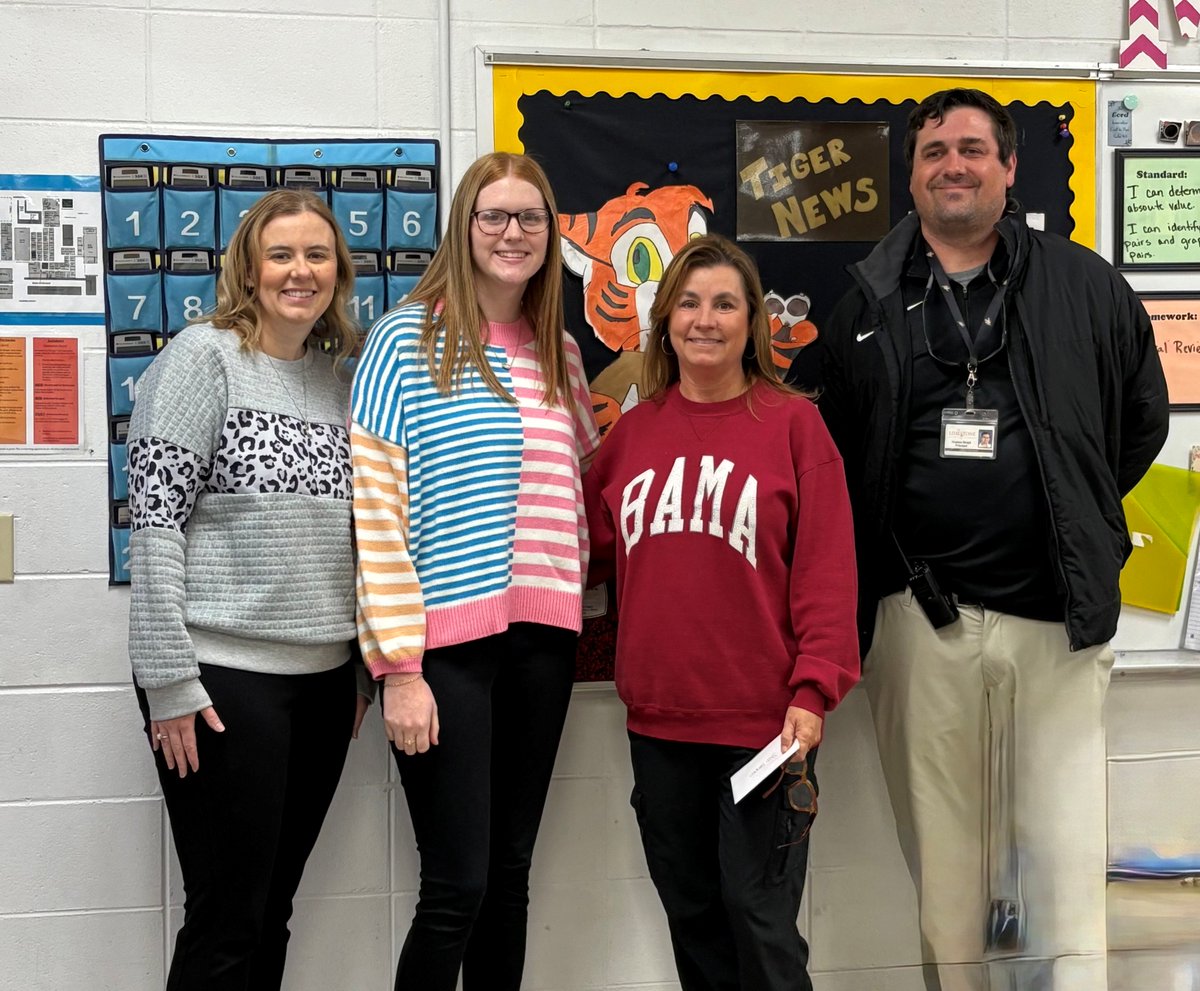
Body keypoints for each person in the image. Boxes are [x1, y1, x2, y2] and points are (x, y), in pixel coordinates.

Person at [788, 88, 1169, 990]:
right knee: (948, 875)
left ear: (1008, 168)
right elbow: (835, 456)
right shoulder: (864, 303)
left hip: (1056, 619)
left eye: (971, 149)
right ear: (911, 177)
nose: (951, 165)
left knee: (1062, 862)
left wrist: (1075, 510)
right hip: (923, 623)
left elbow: (1140, 423)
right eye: (932, 153)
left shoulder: (1088, 287)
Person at [350, 152, 599, 991]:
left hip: (543, 644)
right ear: (463, 227)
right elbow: (377, 516)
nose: (512, 233)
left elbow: (577, 497)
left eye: (530, 217)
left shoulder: (561, 354)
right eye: (493, 215)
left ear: (549, 233)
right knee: (457, 884)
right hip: (445, 651)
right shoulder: (403, 341)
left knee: (511, 877)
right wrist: (399, 667)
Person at [584, 234, 860, 991]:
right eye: (690, 302)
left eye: (725, 303)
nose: (705, 319)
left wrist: (813, 692)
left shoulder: (795, 426)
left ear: (753, 322)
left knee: (759, 918)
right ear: (666, 317)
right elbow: (582, 545)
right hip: (660, 727)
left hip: (764, 728)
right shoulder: (633, 435)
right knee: (693, 915)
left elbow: (828, 574)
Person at [127, 188, 370, 991]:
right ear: (249, 268)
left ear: (339, 270)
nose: (300, 271)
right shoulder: (203, 357)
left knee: (273, 908)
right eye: (281, 254)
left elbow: (361, 536)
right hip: (222, 681)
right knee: (228, 914)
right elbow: (155, 521)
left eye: (317, 254)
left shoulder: (342, 381)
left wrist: (363, 662)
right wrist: (167, 678)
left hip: (326, 682)